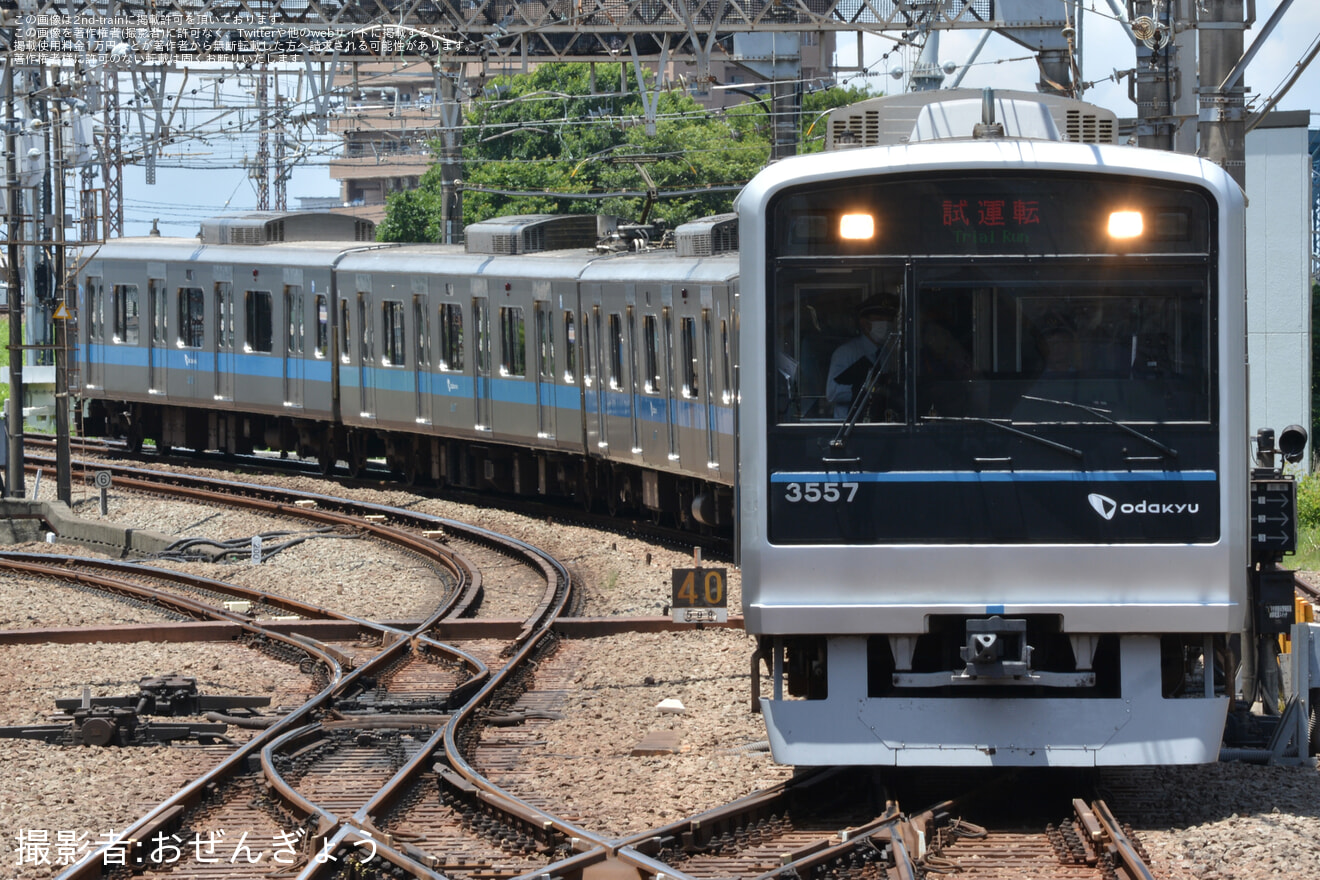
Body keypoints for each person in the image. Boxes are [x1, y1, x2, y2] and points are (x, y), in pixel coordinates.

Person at [826, 297, 899, 420]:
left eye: (889, 320)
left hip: (877, 424)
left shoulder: (887, 353)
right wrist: (869, 389)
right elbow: (832, 393)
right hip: (848, 427)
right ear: (865, 323)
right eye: (880, 320)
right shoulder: (846, 353)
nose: (886, 325)